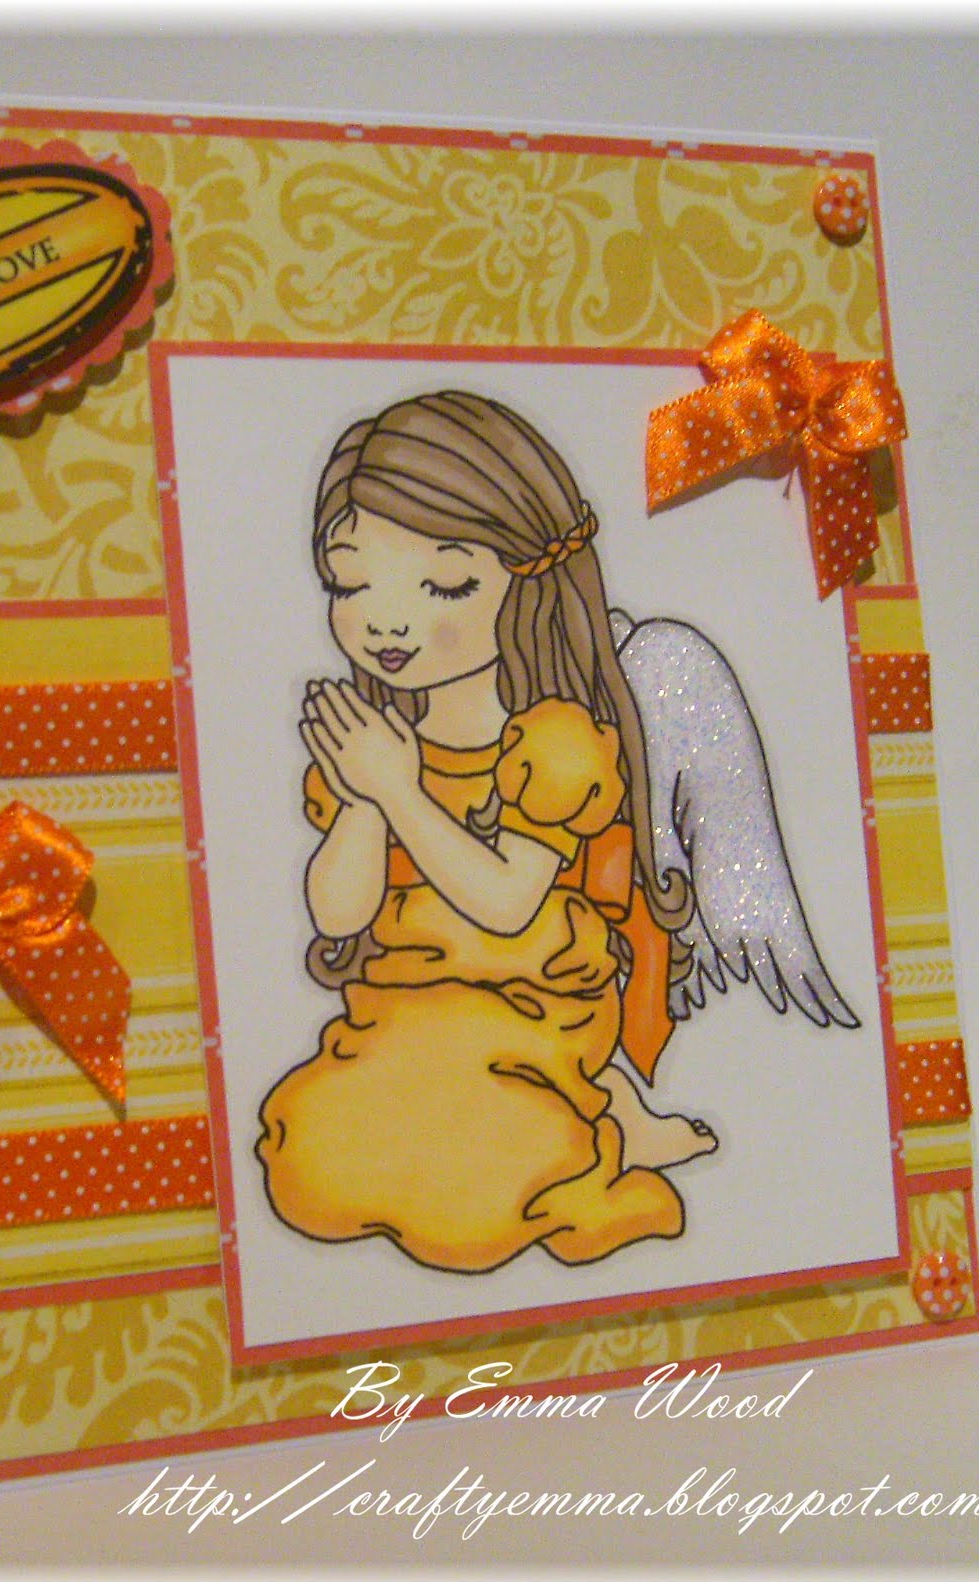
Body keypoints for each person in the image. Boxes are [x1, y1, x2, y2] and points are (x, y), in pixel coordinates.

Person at [255, 390, 717, 1274]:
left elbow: (506, 903)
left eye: (443, 585)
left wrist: (397, 791)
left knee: (485, 1185)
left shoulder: (554, 740)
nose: (386, 620)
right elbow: (338, 914)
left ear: (524, 580)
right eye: (352, 583)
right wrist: (362, 797)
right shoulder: (377, 744)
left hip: (530, 1002)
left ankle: (606, 1113)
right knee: (312, 1156)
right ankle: (603, 1114)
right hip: (402, 1005)